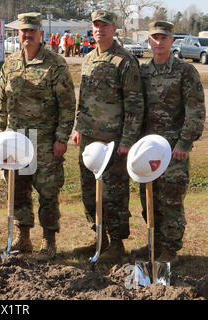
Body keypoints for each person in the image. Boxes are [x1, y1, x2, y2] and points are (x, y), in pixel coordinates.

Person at [0, 12, 76, 263]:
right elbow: (2, 105)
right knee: (18, 191)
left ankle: (48, 241)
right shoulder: (10, 64)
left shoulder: (55, 64)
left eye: (32, 31)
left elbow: (67, 105)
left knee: (48, 192)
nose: (27, 35)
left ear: (40, 33)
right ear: (18, 34)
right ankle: (23, 237)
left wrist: (62, 138)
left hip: (45, 143)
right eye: (23, 31)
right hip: (16, 143)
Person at [72, 9, 144, 262]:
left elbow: (135, 106)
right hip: (89, 139)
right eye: (96, 26)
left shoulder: (124, 61)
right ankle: (99, 238)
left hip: (113, 142)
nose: (99, 30)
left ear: (114, 29)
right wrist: (79, 128)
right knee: (89, 191)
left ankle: (116, 244)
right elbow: (84, 99)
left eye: (105, 26)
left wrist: (126, 141)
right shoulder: (89, 58)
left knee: (114, 193)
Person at [132, 21, 205, 264]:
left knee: (171, 200)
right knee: (148, 198)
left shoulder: (185, 71)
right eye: (155, 37)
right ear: (149, 41)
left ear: (172, 40)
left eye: (164, 37)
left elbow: (195, 111)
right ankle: (154, 242)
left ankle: (171, 249)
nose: (159, 42)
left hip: (173, 149)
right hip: (146, 149)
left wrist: (184, 143)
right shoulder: (143, 72)